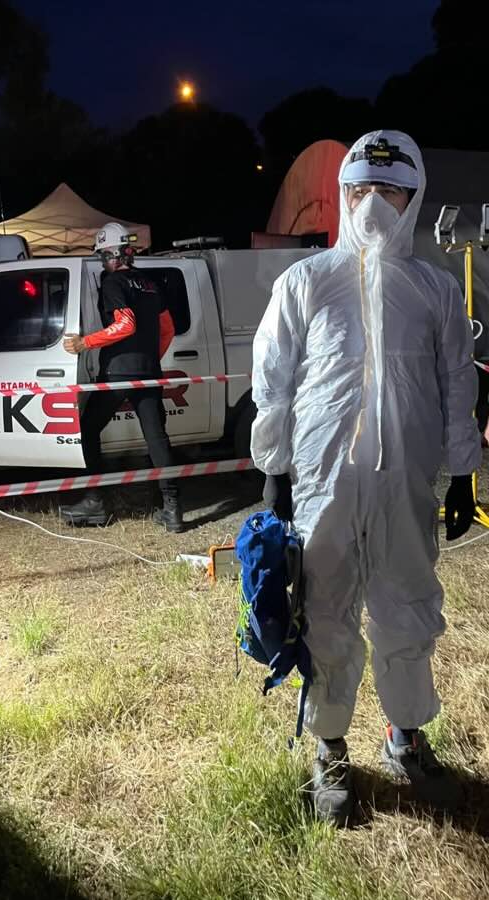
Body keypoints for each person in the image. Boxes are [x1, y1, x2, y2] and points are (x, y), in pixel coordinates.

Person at [251, 130, 480, 825]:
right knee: (325, 614)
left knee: (408, 608)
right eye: (361, 189)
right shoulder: (306, 281)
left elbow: (457, 382)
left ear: (414, 200)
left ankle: (405, 737)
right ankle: (329, 750)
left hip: (406, 483)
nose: (374, 203)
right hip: (325, 484)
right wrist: (275, 474)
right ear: (344, 195)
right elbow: (273, 380)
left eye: (390, 190)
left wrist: (462, 473)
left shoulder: (435, 290)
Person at [57, 222, 182, 532]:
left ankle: (95, 501)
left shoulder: (113, 283)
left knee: (88, 429)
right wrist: (150, 359)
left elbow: (126, 325)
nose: (103, 262)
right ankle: (172, 509)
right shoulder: (150, 283)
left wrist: (84, 343)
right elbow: (168, 330)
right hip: (148, 373)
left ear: (113, 255)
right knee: (157, 439)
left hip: (118, 373)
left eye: (103, 256)